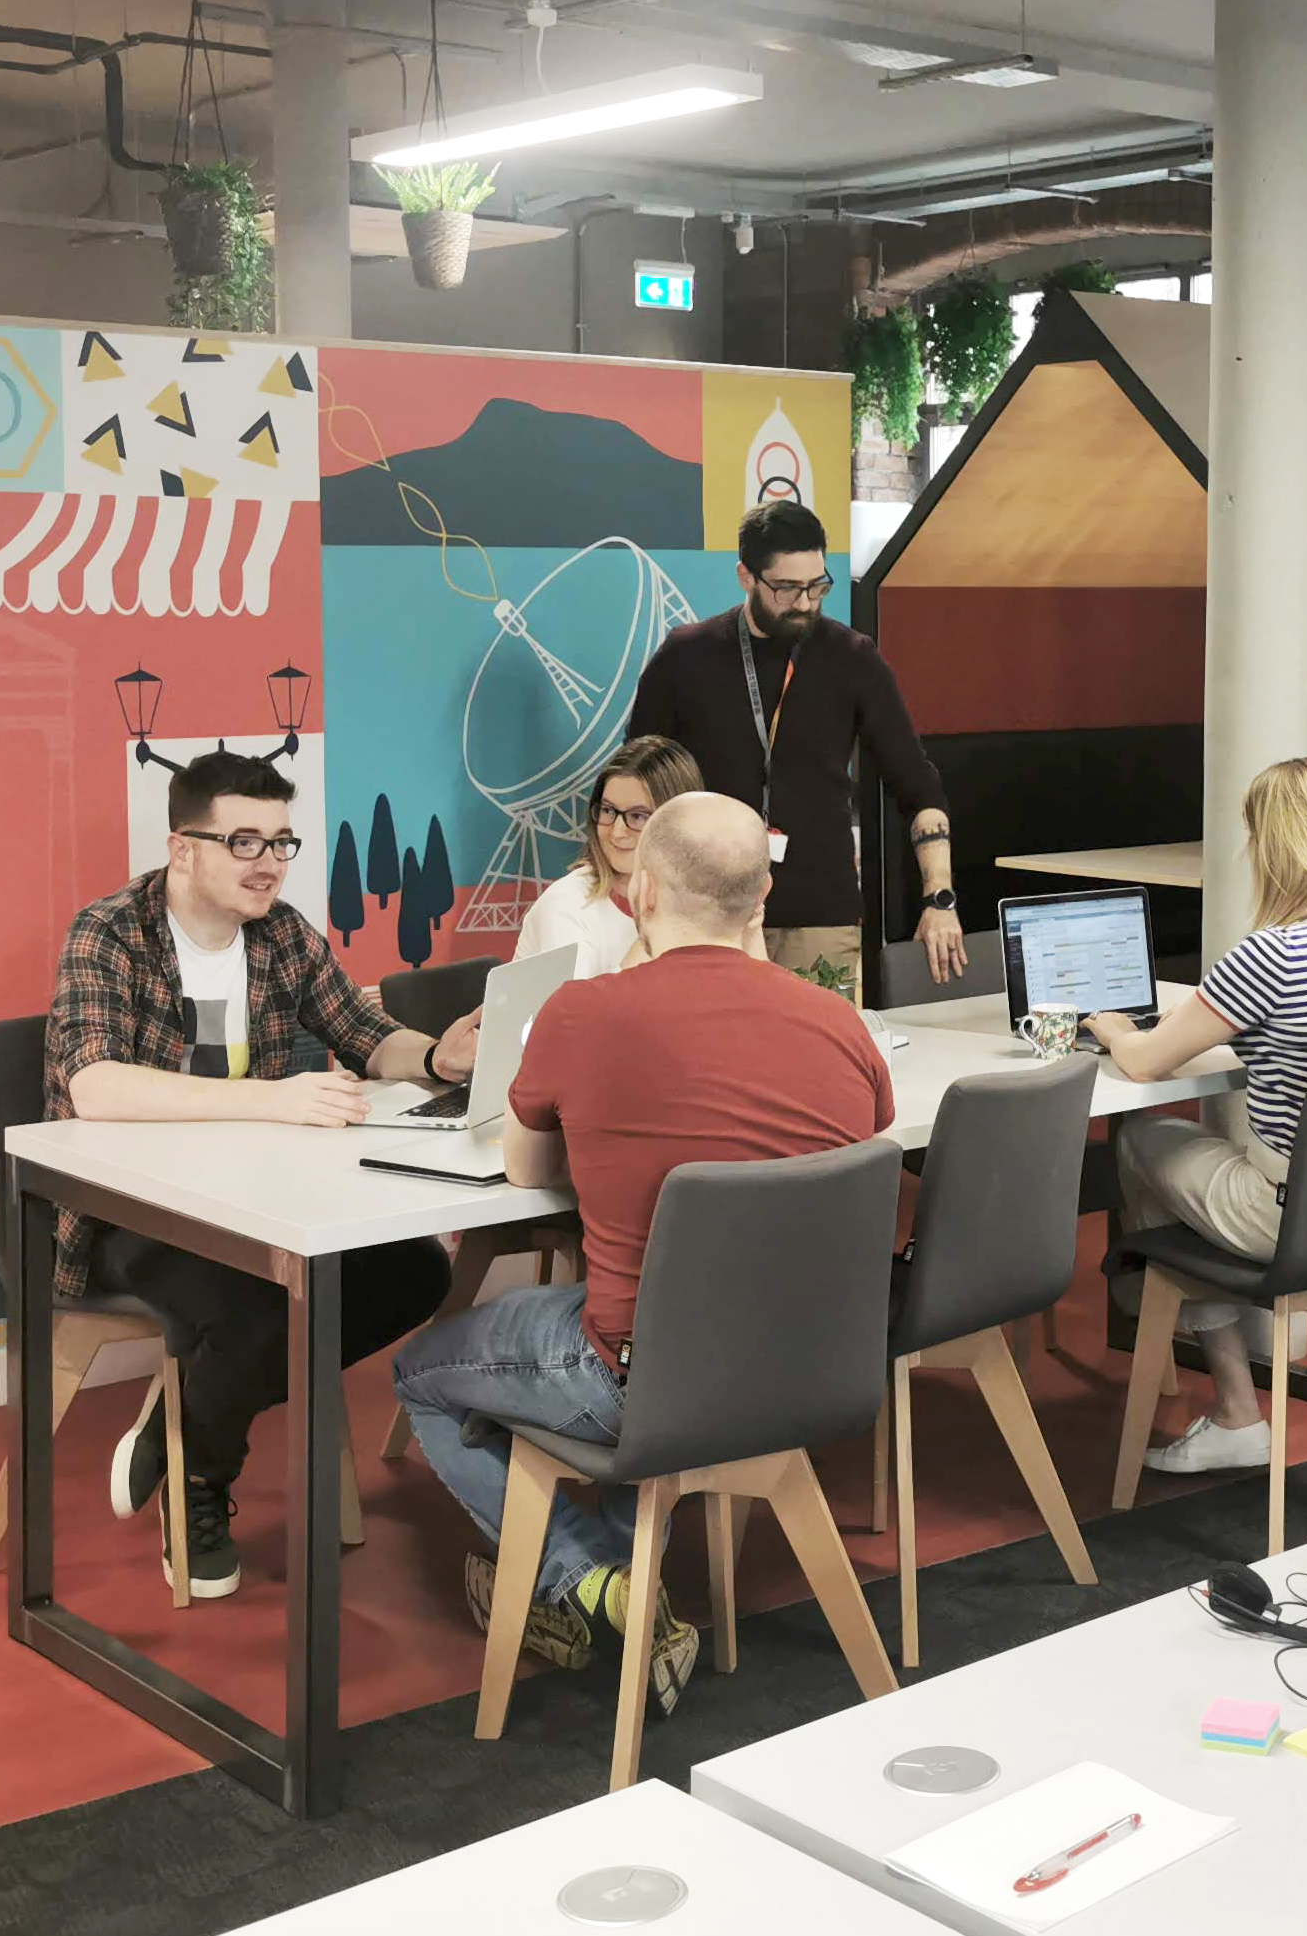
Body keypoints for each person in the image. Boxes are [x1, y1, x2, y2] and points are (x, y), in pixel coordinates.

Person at [391, 791, 896, 1718]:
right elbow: (861, 1142)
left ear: (641, 890)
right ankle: (634, 1581)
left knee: (423, 1370)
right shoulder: (838, 1020)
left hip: (639, 1377)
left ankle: (586, 1580)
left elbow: (527, 1166)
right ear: (762, 898)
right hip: (814, 1370)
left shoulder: (585, 1014)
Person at [46, 751, 480, 1601]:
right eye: (244, 840)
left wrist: (434, 1055)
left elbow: (363, 1032)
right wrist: (268, 1099)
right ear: (183, 848)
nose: (269, 863)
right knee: (258, 1301)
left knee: (414, 1270)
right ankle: (202, 1480)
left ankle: (187, 1420)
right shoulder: (110, 931)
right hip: (129, 1212)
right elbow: (93, 1083)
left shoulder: (280, 932)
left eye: (282, 842)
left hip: (262, 1200)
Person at [1087, 756, 1307, 1476]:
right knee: (1200, 1148)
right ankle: (1155, 1289)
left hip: (1287, 1217)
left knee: (1144, 1135)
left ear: (1273, 846)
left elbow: (1145, 1064)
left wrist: (1110, 1026)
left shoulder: (1276, 952)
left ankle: (1186, 1338)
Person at [625, 499, 961, 1002]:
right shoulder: (687, 655)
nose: (805, 603)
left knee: (819, 1065)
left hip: (820, 918)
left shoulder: (853, 659)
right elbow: (636, 776)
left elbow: (917, 783)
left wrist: (940, 898)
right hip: (704, 915)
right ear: (746, 576)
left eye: (817, 585)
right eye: (787, 588)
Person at [513, 735, 706, 980]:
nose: (616, 831)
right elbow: (574, 1015)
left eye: (637, 816)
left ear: (678, 822)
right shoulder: (566, 905)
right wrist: (650, 938)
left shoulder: (700, 901)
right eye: (608, 811)